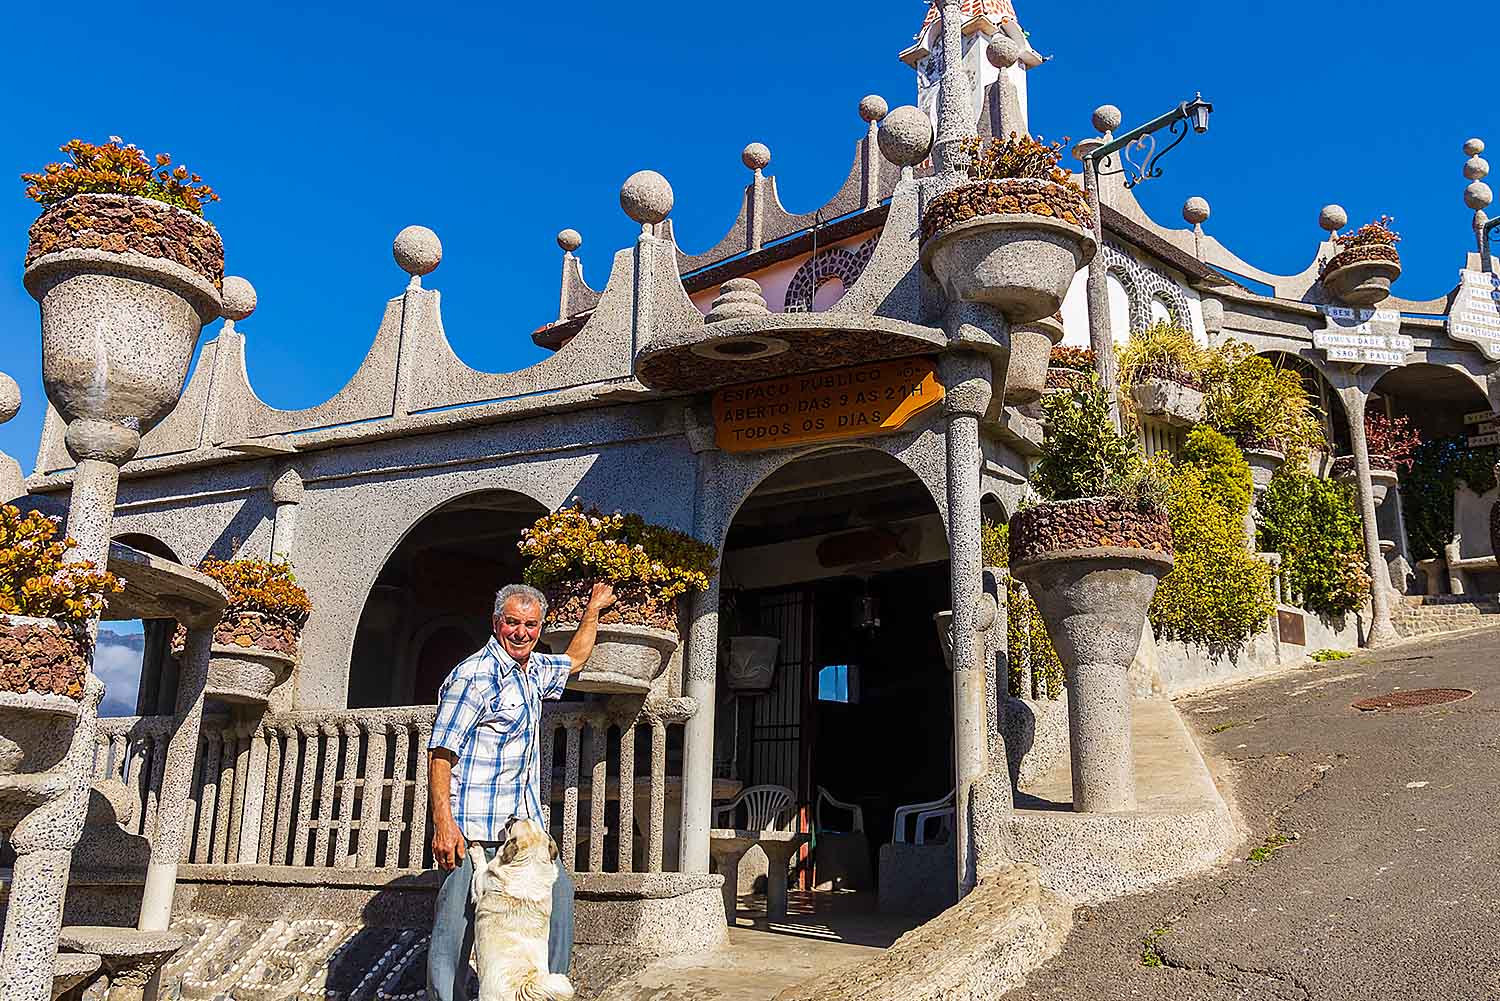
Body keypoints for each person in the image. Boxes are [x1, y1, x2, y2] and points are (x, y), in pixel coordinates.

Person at [426, 581, 616, 1001]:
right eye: (513, 622)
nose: (522, 632)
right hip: (473, 831)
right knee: (455, 932)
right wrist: (444, 823)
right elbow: (441, 754)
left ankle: (542, 994)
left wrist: (593, 608)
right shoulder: (473, 677)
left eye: (531, 625)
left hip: (526, 836)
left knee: (560, 898)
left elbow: (576, 658)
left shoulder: (533, 670)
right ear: (497, 624)